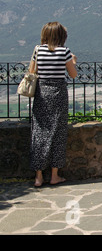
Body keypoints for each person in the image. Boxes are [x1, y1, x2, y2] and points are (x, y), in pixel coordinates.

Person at [30, 22, 78, 187]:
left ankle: (38, 176)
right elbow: (73, 74)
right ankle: (54, 175)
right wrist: (74, 61)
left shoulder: (38, 50)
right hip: (58, 93)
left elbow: (32, 72)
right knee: (58, 133)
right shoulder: (64, 52)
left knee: (39, 132)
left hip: (41, 94)